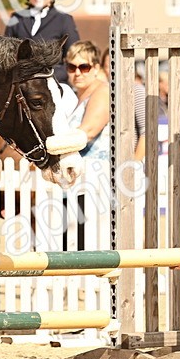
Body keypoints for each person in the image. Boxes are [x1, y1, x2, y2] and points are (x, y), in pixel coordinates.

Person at [64, 41, 110, 250]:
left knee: (89, 246)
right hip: (76, 184)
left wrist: (49, 147)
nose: (77, 73)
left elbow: (88, 131)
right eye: (72, 67)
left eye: (84, 67)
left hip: (95, 183)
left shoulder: (102, 91)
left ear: (96, 69)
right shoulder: (75, 99)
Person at [4, 0, 80, 85]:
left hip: (54, 82)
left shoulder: (64, 20)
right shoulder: (16, 19)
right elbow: (7, 56)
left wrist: (51, 76)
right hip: (21, 83)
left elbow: (75, 57)